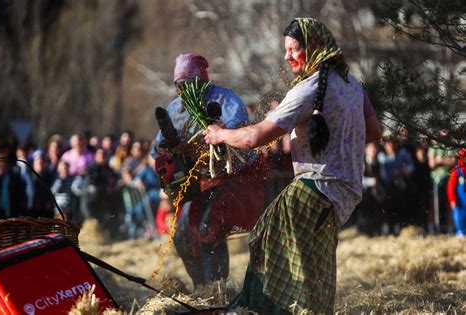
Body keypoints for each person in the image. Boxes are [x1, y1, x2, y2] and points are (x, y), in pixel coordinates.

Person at [204, 18, 382, 313]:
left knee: (265, 245)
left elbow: (255, 137)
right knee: (315, 269)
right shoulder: (353, 86)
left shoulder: (306, 90)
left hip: (312, 189)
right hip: (343, 196)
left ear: (312, 48)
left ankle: (258, 311)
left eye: (293, 49)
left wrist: (219, 134)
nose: (286, 57)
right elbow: (374, 132)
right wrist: (336, 138)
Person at [152, 53, 266, 288]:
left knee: (208, 230)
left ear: (202, 81)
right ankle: (202, 290)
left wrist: (214, 135)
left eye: (189, 85)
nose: (184, 91)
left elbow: (239, 132)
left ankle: (217, 290)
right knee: (183, 235)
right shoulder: (174, 109)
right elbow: (157, 147)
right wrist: (171, 152)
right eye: (179, 86)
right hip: (201, 183)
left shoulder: (226, 100)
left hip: (234, 177)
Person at [446, 148, 466, 236]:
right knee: (459, 217)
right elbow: (450, 187)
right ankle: (460, 232)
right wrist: (452, 200)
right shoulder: (456, 172)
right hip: (459, 202)